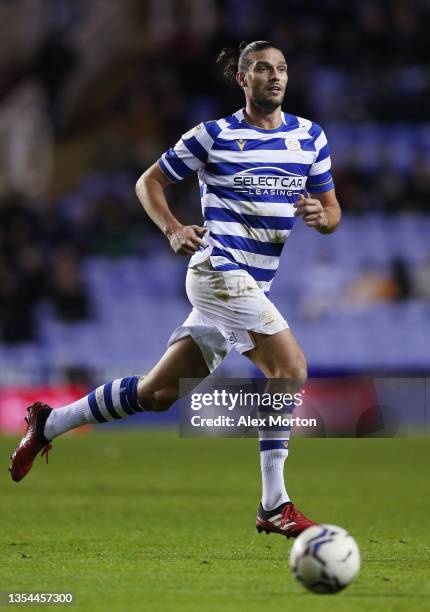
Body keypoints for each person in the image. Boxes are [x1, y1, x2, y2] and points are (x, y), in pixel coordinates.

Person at [9, 41, 341, 538]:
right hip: (217, 271)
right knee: (289, 368)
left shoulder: (310, 138)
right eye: (264, 69)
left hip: (253, 285)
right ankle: (274, 504)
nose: (275, 77)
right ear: (242, 78)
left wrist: (322, 216)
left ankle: (48, 423)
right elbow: (149, 182)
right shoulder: (213, 136)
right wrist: (172, 229)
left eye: (283, 69)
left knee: (158, 392)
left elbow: (332, 211)